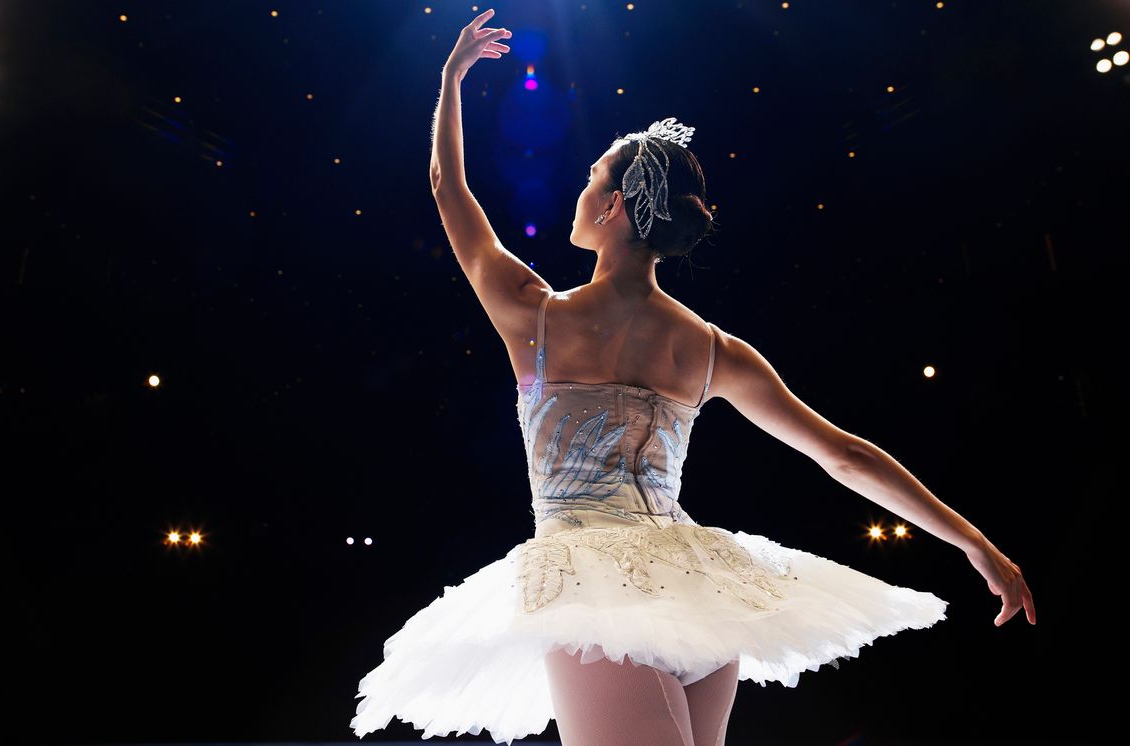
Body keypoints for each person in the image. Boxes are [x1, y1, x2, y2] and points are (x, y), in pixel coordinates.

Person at [352, 9, 1036, 746]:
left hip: (594, 589)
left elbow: (445, 185)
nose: (580, 193)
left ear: (614, 206)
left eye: (591, 181)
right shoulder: (713, 351)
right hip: (700, 592)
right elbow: (845, 455)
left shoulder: (535, 316)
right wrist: (973, 542)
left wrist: (452, 78)